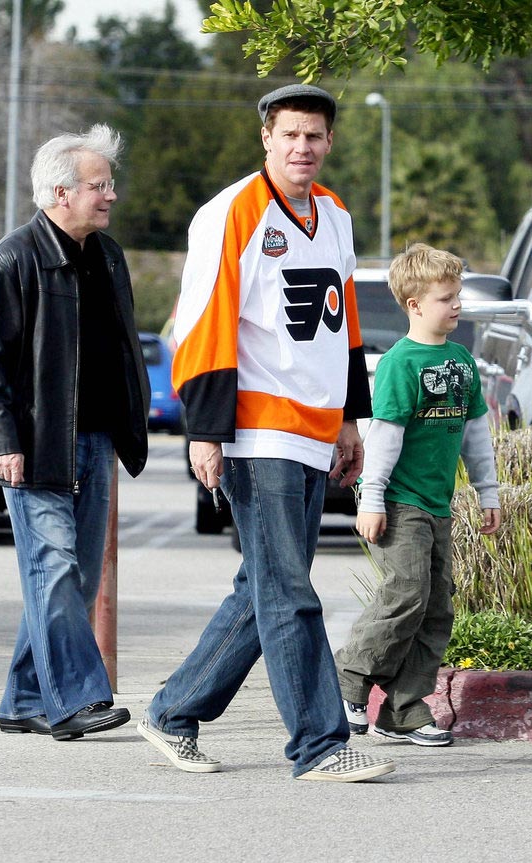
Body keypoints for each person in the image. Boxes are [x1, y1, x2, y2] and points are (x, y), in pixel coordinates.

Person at [137, 84, 396, 783]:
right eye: (289, 135)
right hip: (258, 430)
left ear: (329, 142)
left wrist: (347, 419)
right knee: (288, 590)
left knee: (263, 588)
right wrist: (206, 430)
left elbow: (344, 326)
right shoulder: (231, 212)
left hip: (314, 428)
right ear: (266, 138)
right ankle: (318, 742)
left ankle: (172, 710)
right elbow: (202, 324)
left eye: (314, 136)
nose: (302, 147)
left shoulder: (335, 214)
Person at [0, 124, 151, 741]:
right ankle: (76, 700)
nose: (111, 196)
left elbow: (124, 349)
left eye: (109, 183)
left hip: (95, 441)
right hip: (36, 446)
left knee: (72, 576)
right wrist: (2, 443)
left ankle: (23, 698)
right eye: (99, 185)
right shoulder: (13, 258)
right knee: (54, 566)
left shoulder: (109, 255)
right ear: (58, 192)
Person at [335, 243, 501, 746]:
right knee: (406, 592)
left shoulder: (461, 361)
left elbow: (475, 433)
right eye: (446, 298)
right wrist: (372, 500)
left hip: (437, 504)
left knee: (437, 608)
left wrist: (487, 492)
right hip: (399, 502)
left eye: (458, 297)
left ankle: (404, 710)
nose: (456, 307)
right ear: (414, 304)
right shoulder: (400, 364)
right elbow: (383, 437)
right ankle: (347, 680)